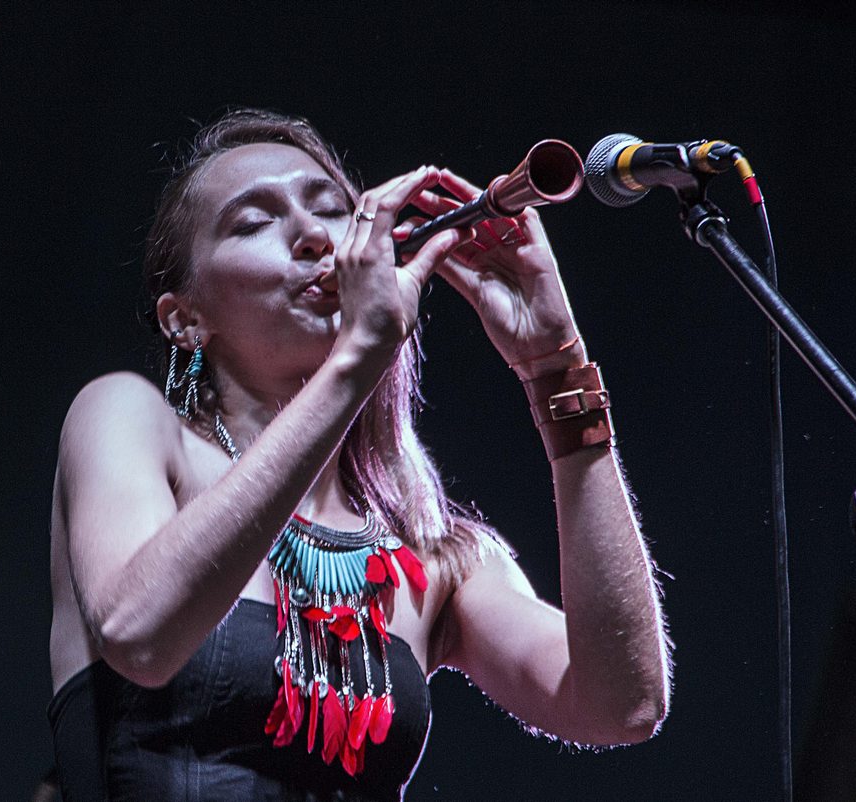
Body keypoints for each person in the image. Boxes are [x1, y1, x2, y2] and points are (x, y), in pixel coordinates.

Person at [46, 108, 670, 801]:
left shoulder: (433, 553)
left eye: (331, 211)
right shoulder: (128, 420)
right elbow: (138, 634)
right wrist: (358, 358)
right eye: (253, 223)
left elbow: (623, 704)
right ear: (184, 319)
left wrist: (556, 370)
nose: (315, 236)